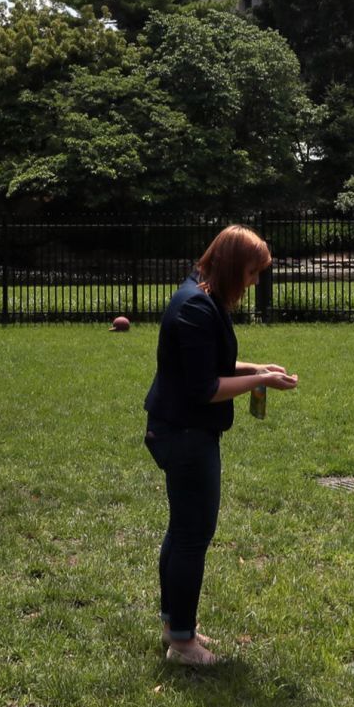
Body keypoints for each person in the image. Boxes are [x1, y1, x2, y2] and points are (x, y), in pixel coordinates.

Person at [143, 224, 298, 666]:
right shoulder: (195, 305)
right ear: (232, 266)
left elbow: (212, 363)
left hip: (182, 429)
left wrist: (257, 366)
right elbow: (204, 387)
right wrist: (262, 380)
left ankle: (176, 624)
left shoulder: (199, 295)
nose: (253, 282)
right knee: (193, 536)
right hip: (186, 433)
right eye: (251, 272)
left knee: (182, 531)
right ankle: (184, 644)